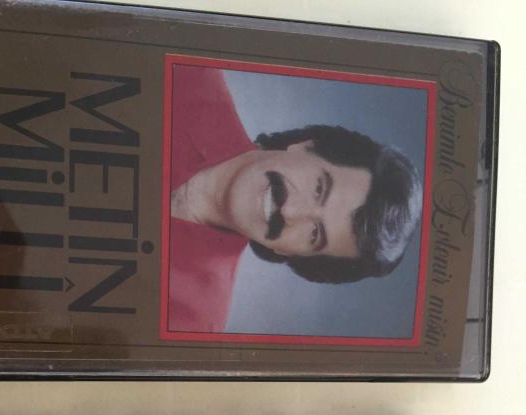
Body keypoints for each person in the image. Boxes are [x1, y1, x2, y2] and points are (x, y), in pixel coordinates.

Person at [166, 64, 422, 334]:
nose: (290, 211)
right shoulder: (186, 71)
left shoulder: (191, 325)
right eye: (319, 188)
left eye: (314, 233)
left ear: (290, 254)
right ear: (305, 146)